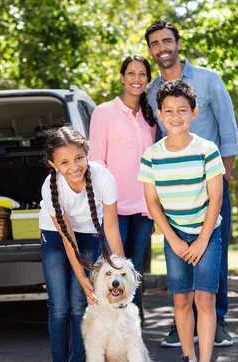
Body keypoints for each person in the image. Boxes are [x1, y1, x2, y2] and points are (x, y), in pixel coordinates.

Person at [144, 20, 238, 348]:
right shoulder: (150, 91)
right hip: (174, 189)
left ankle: (218, 320)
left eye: (166, 41)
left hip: (211, 184)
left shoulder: (209, 80)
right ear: (151, 51)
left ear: (178, 43)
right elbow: (157, 139)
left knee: (216, 250)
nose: (162, 48)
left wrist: (224, 178)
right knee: (177, 251)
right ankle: (181, 324)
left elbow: (228, 131)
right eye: (155, 44)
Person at [138, 79, 223, 362]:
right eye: (169, 111)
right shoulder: (152, 156)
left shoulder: (207, 150)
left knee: (205, 299)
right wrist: (172, 239)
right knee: (182, 299)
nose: (176, 116)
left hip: (206, 234)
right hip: (174, 237)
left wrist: (201, 240)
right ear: (159, 114)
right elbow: (152, 202)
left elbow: (216, 198)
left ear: (194, 112)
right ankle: (187, 359)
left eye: (182, 110)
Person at [39, 126, 125, 362]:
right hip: (56, 237)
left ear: (86, 154)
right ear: (53, 164)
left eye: (78, 158)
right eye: (64, 162)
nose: (74, 166)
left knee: (80, 304)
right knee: (59, 306)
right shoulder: (50, 187)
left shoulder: (103, 178)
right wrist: (82, 277)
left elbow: (111, 228)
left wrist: (119, 269)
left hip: (90, 234)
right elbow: (67, 239)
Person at [89, 54, 158, 307]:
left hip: (143, 208)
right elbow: (96, 162)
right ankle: (107, 333)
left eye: (142, 74)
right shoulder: (103, 112)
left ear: (148, 80)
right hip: (113, 209)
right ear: (122, 77)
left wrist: (154, 210)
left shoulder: (150, 119)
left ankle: (133, 333)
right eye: (131, 73)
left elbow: (151, 166)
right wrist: (103, 207)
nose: (136, 79)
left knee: (133, 271)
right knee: (112, 270)